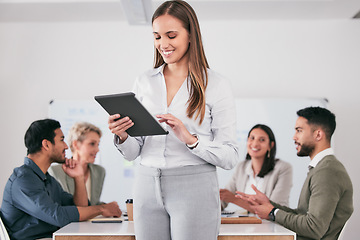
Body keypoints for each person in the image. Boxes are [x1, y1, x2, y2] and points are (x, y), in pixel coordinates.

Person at [107, 1, 239, 240]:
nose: (163, 44)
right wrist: (123, 135)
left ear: (191, 35)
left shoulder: (216, 84)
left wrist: (191, 140)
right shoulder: (144, 81)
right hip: (146, 186)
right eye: (157, 36)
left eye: (171, 35)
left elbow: (230, 156)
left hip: (194, 186)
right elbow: (132, 153)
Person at [237, 107, 353, 240]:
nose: (294, 137)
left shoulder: (327, 171)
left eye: (299, 130)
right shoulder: (321, 168)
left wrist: (273, 212)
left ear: (318, 135)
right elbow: (303, 215)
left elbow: (314, 227)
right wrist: (270, 204)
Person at [0, 119, 122, 240]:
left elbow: (80, 207)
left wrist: (78, 178)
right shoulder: (23, 180)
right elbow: (58, 216)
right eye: (62, 140)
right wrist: (102, 209)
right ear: (46, 145)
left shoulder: (47, 179)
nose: (66, 146)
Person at [220, 124, 292, 212]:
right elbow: (225, 197)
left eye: (262, 140)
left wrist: (235, 200)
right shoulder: (241, 167)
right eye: (252, 138)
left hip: (272, 225)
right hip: (248, 223)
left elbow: (273, 209)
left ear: (271, 145)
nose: (255, 143)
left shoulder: (283, 168)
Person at [49, 122, 105, 206]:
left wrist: (105, 206)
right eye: (92, 144)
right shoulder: (56, 171)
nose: (97, 150)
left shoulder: (99, 171)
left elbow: (93, 204)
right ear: (76, 144)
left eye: (98, 144)